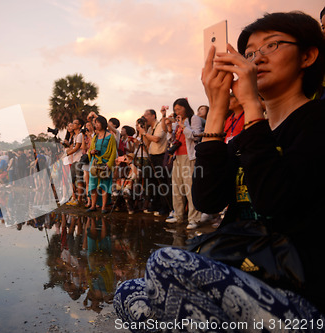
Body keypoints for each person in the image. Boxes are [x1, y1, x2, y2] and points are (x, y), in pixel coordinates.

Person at [114, 11, 325, 329]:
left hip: (298, 291)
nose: (257, 59)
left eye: (271, 46)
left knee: (166, 262)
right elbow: (208, 200)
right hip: (243, 272)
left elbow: (274, 203)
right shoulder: (245, 138)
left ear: (307, 56)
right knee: (128, 292)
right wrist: (217, 109)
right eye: (250, 53)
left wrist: (253, 106)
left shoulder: (317, 120)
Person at [166, 98, 203, 229]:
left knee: (189, 187)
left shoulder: (194, 119)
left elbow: (196, 135)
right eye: (175, 110)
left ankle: (194, 219)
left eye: (179, 109)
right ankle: (178, 215)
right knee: (177, 188)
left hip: (189, 157)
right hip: (177, 157)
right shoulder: (177, 123)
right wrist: (170, 129)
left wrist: (183, 126)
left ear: (185, 107)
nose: (177, 112)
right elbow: (172, 141)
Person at [139, 107, 172, 217]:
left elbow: (157, 139)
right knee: (153, 182)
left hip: (161, 157)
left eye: (146, 115)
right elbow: (147, 144)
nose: (145, 117)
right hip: (152, 156)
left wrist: (144, 133)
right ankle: (156, 205)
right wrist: (142, 132)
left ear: (153, 115)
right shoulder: (149, 129)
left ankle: (165, 207)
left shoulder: (159, 125)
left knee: (162, 183)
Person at [86, 116, 116, 214]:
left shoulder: (110, 136)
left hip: (105, 164)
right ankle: (93, 205)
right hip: (95, 163)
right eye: (95, 123)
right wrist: (92, 152)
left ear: (103, 123)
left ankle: (103, 206)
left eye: (98, 123)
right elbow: (90, 150)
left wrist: (109, 164)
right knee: (93, 184)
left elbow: (113, 152)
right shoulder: (95, 137)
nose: (96, 125)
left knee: (105, 184)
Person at [66, 118, 85, 206]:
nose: (73, 125)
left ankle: (79, 199)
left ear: (79, 125)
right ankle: (74, 198)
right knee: (72, 180)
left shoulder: (80, 135)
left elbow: (77, 147)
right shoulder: (74, 136)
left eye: (75, 123)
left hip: (79, 159)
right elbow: (73, 147)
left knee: (79, 180)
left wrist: (67, 153)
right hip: (74, 159)